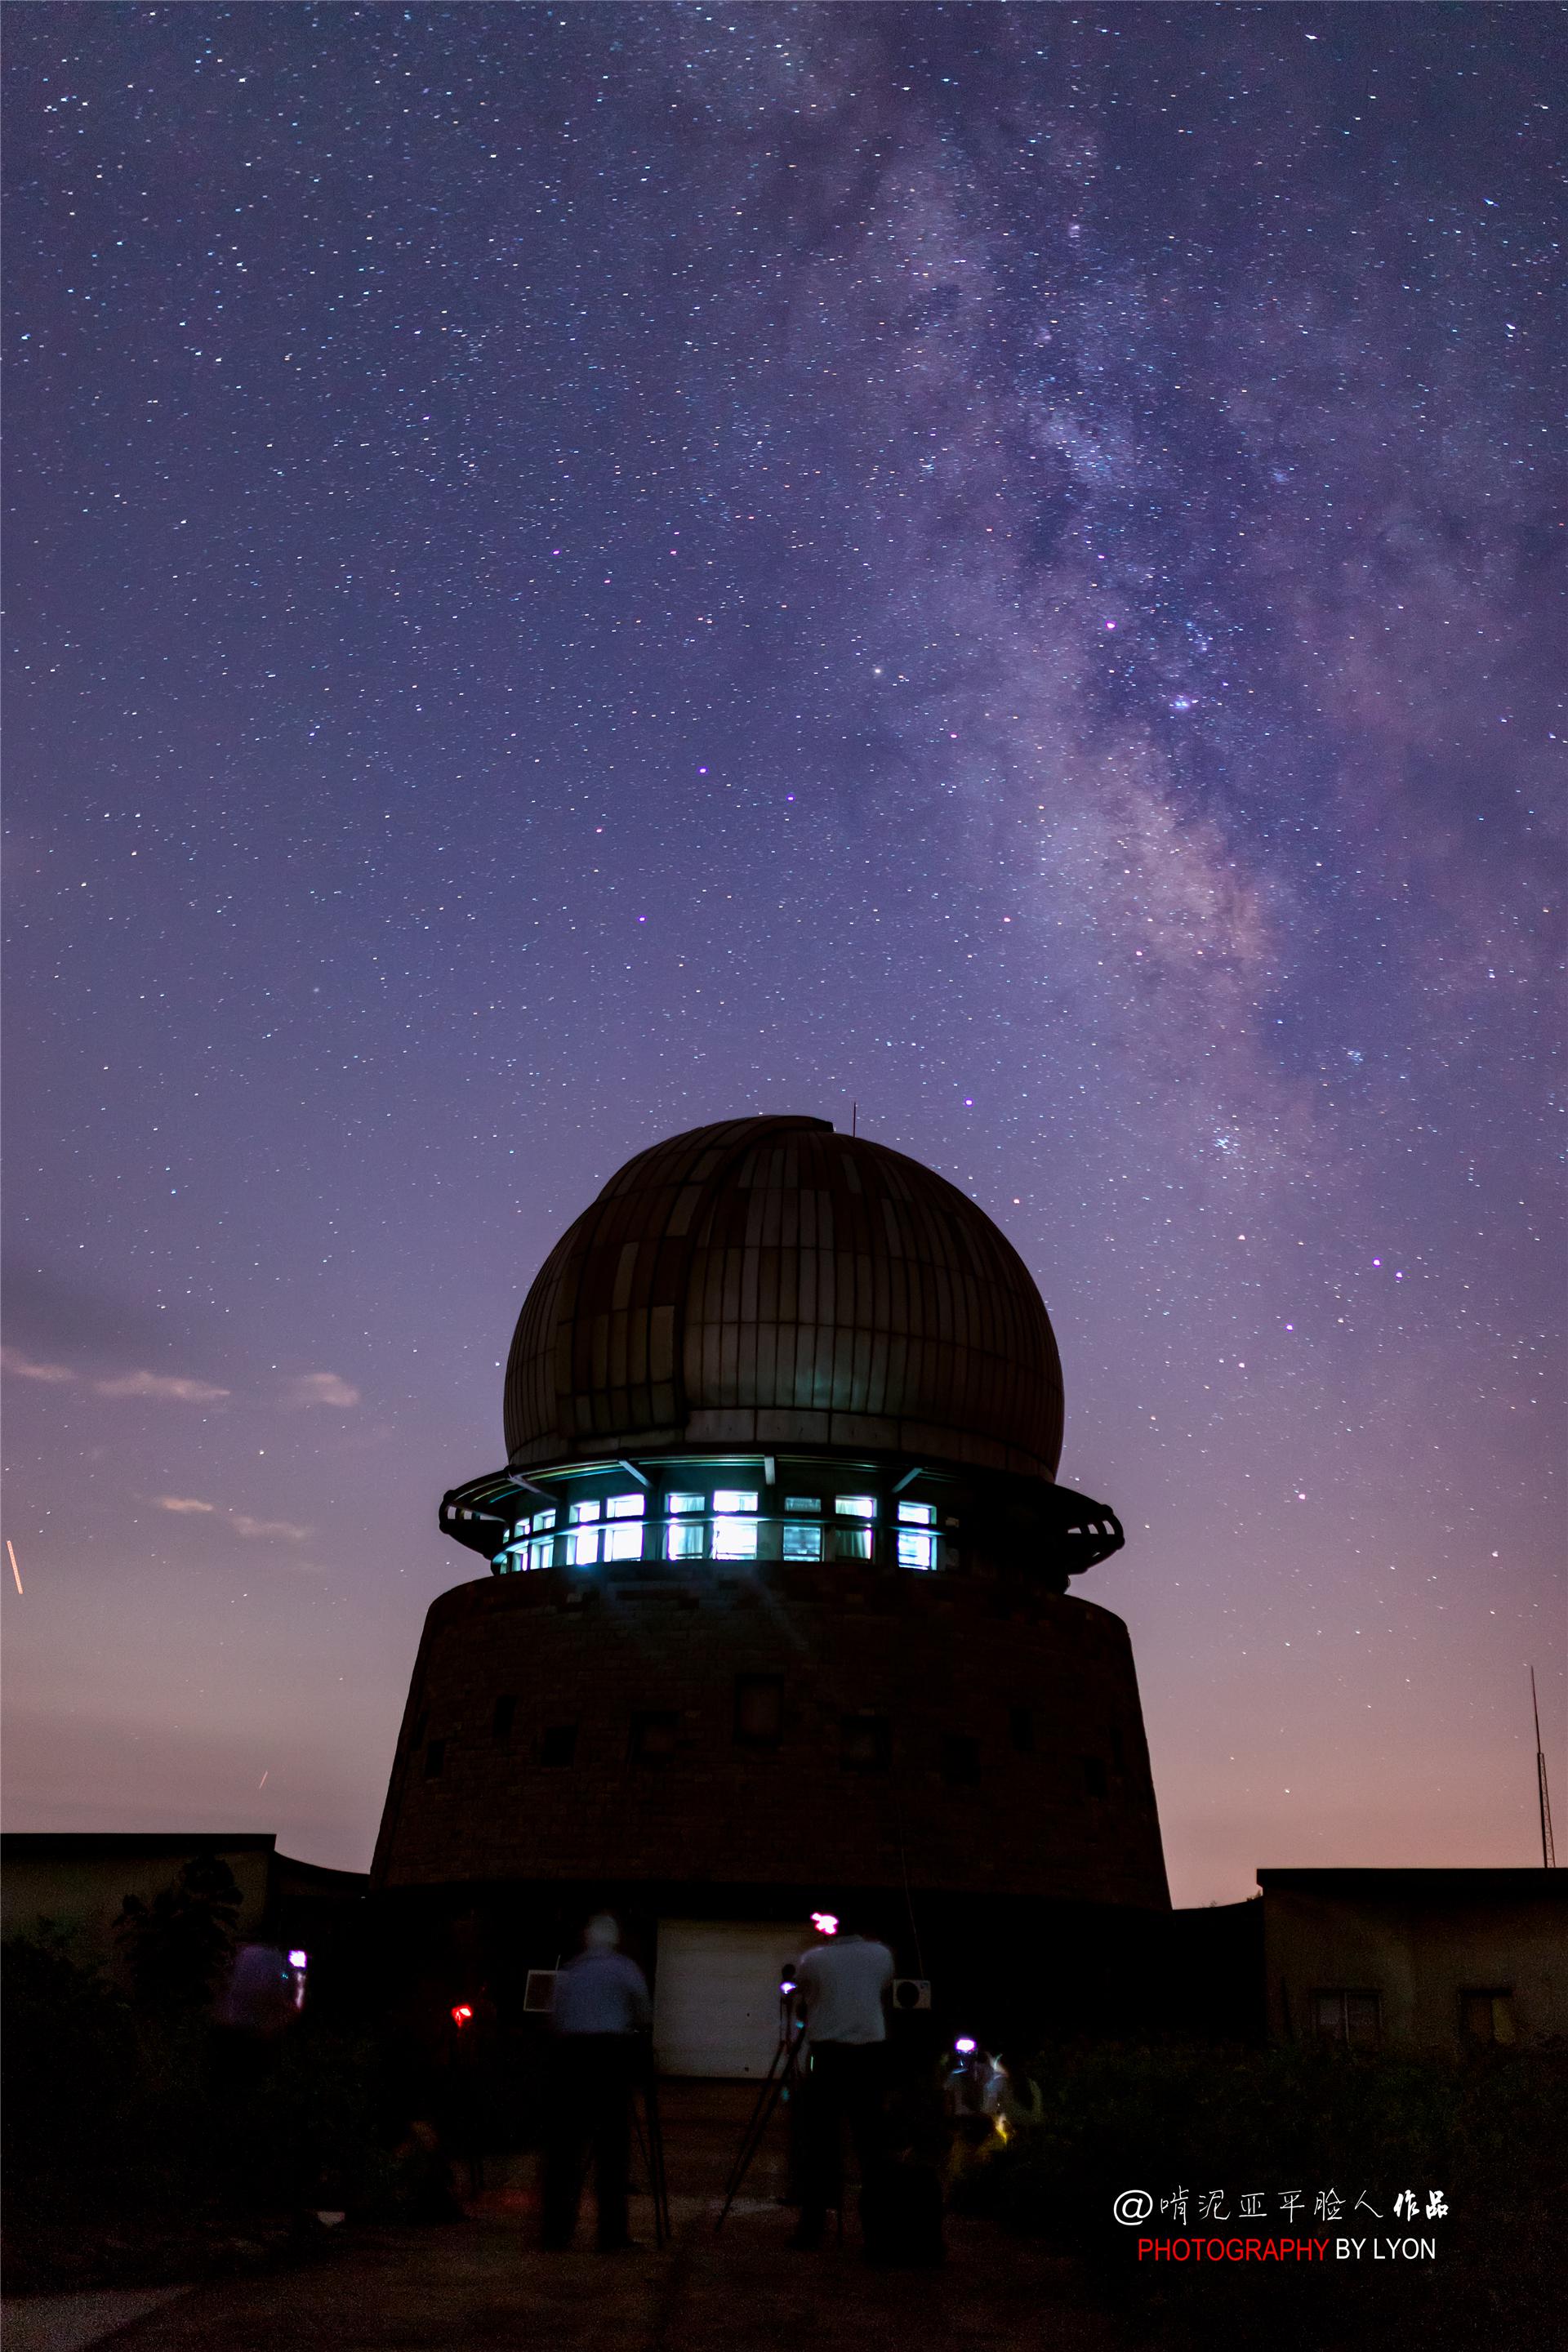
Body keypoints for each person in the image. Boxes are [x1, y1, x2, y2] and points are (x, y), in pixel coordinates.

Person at [540, 1913, 653, 2252]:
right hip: (608, 2059)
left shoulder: (571, 1971)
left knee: (565, 2153)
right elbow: (643, 2013)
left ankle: (556, 2233)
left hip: (570, 2060)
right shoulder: (624, 1969)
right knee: (612, 2154)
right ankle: (611, 2235)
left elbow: (555, 2017)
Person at [790, 1915, 893, 2250]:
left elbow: (805, 1992)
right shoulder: (881, 1955)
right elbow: (881, 1988)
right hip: (869, 2058)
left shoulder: (814, 1959)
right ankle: (878, 2230)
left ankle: (813, 2224)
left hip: (829, 2056)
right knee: (871, 2145)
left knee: (819, 2142)